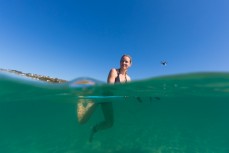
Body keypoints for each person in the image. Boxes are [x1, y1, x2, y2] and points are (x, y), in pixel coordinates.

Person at [76, 54, 132, 142]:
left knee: (110, 123)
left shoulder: (128, 79)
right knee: (82, 121)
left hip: (109, 100)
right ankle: (81, 102)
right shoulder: (113, 71)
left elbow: (126, 93)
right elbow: (109, 88)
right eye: (122, 60)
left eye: (126, 61)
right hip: (102, 98)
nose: (123, 63)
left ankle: (94, 129)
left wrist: (127, 95)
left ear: (130, 64)